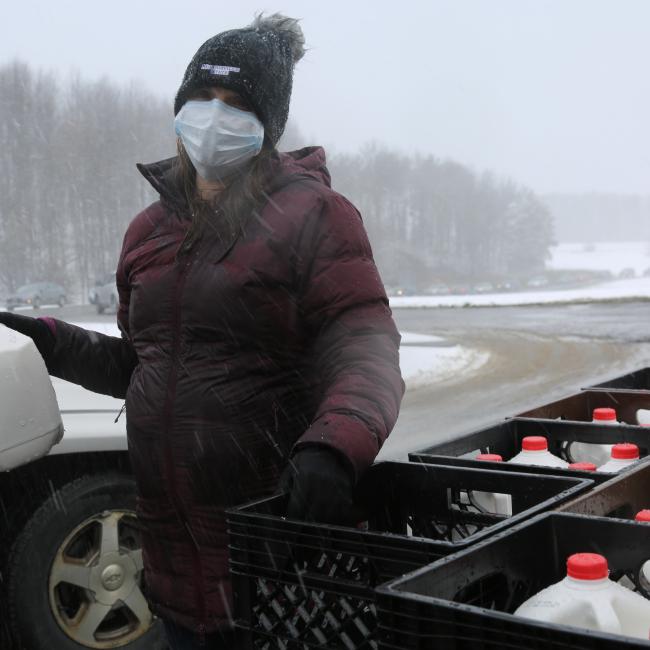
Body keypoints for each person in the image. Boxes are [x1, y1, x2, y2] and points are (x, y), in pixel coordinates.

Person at [0, 13, 404, 649]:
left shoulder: (316, 215)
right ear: (179, 108)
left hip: (273, 553)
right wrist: (47, 339)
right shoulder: (148, 232)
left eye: (237, 103)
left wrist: (334, 445)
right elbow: (145, 367)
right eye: (201, 98)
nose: (214, 116)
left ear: (267, 126)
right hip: (171, 560)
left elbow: (367, 351)